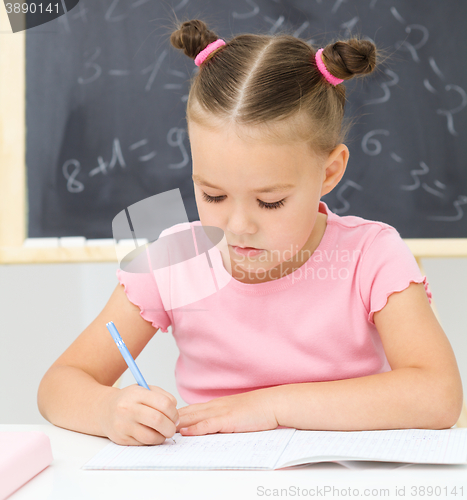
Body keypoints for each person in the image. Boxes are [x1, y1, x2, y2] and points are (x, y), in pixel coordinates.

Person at [37, 20, 464, 446]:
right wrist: (108, 410)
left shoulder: (372, 255)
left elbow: (438, 396)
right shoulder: (172, 260)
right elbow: (59, 385)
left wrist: (269, 407)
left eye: (270, 201)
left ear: (330, 171)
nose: (238, 227)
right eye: (213, 195)